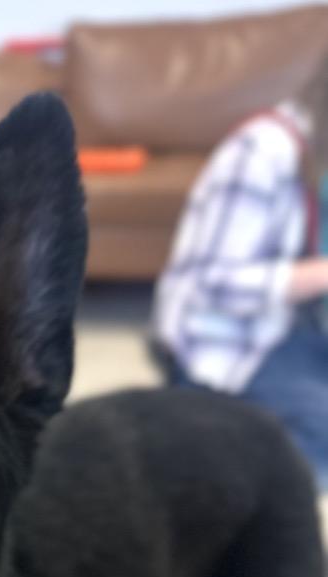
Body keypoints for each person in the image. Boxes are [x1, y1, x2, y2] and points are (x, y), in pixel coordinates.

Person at [153, 57, 328, 489]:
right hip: (230, 337)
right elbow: (217, 283)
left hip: (295, 322)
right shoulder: (260, 151)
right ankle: (192, 441)